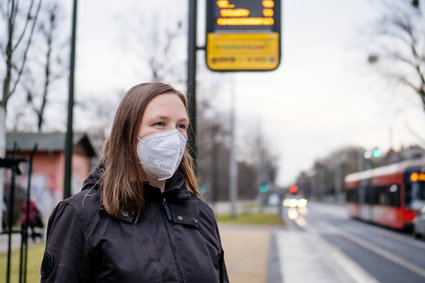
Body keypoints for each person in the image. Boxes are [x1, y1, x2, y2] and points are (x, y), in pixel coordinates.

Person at [40, 83, 229, 283]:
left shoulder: (201, 214)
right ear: (128, 132)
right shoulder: (81, 214)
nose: (174, 136)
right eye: (160, 124)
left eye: (181, 126)